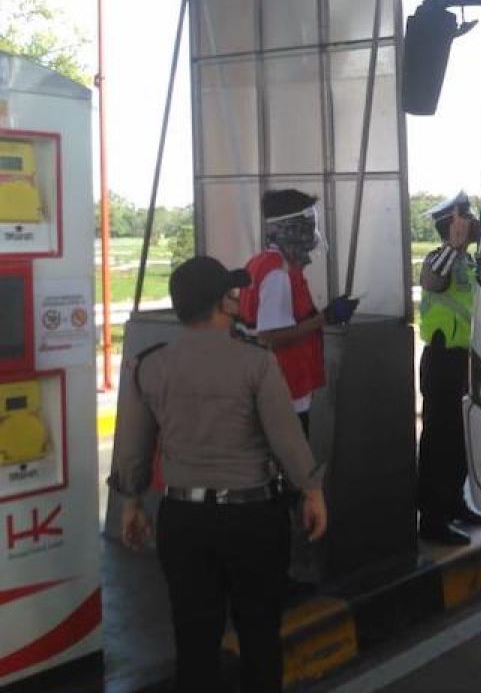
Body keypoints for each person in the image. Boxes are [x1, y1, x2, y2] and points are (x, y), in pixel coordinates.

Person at [110, 256, 328, 693]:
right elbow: (287, 438)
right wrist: (312, 490)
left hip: (183, 519)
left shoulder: (150, 365)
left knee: (194, 640)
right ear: (223, 304)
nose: (237, 299)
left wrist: (132, 503)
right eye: (232, 293)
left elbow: (132, 447)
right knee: (259, 634)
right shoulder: (257, 361)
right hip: (252, 518)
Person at [239, 189, 357, 432]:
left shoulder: (261, 262)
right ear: (290, 230)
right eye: (307, 226)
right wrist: (325, 318)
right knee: (292, 463)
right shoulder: (277, 273)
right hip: (284, 391)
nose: (311, 235)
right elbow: (270, 336)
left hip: (277, 388)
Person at [417, 191, 481, 545]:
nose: (475, 223)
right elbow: (432, 281)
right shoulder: (437, 259)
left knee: (460, 438)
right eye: (468, 218)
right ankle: (431, 518)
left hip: (467, 361)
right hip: (442, 362)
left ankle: (454, 503)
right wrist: (454, 245)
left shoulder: (472, 264)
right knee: (438, 441)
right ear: (454, 225)